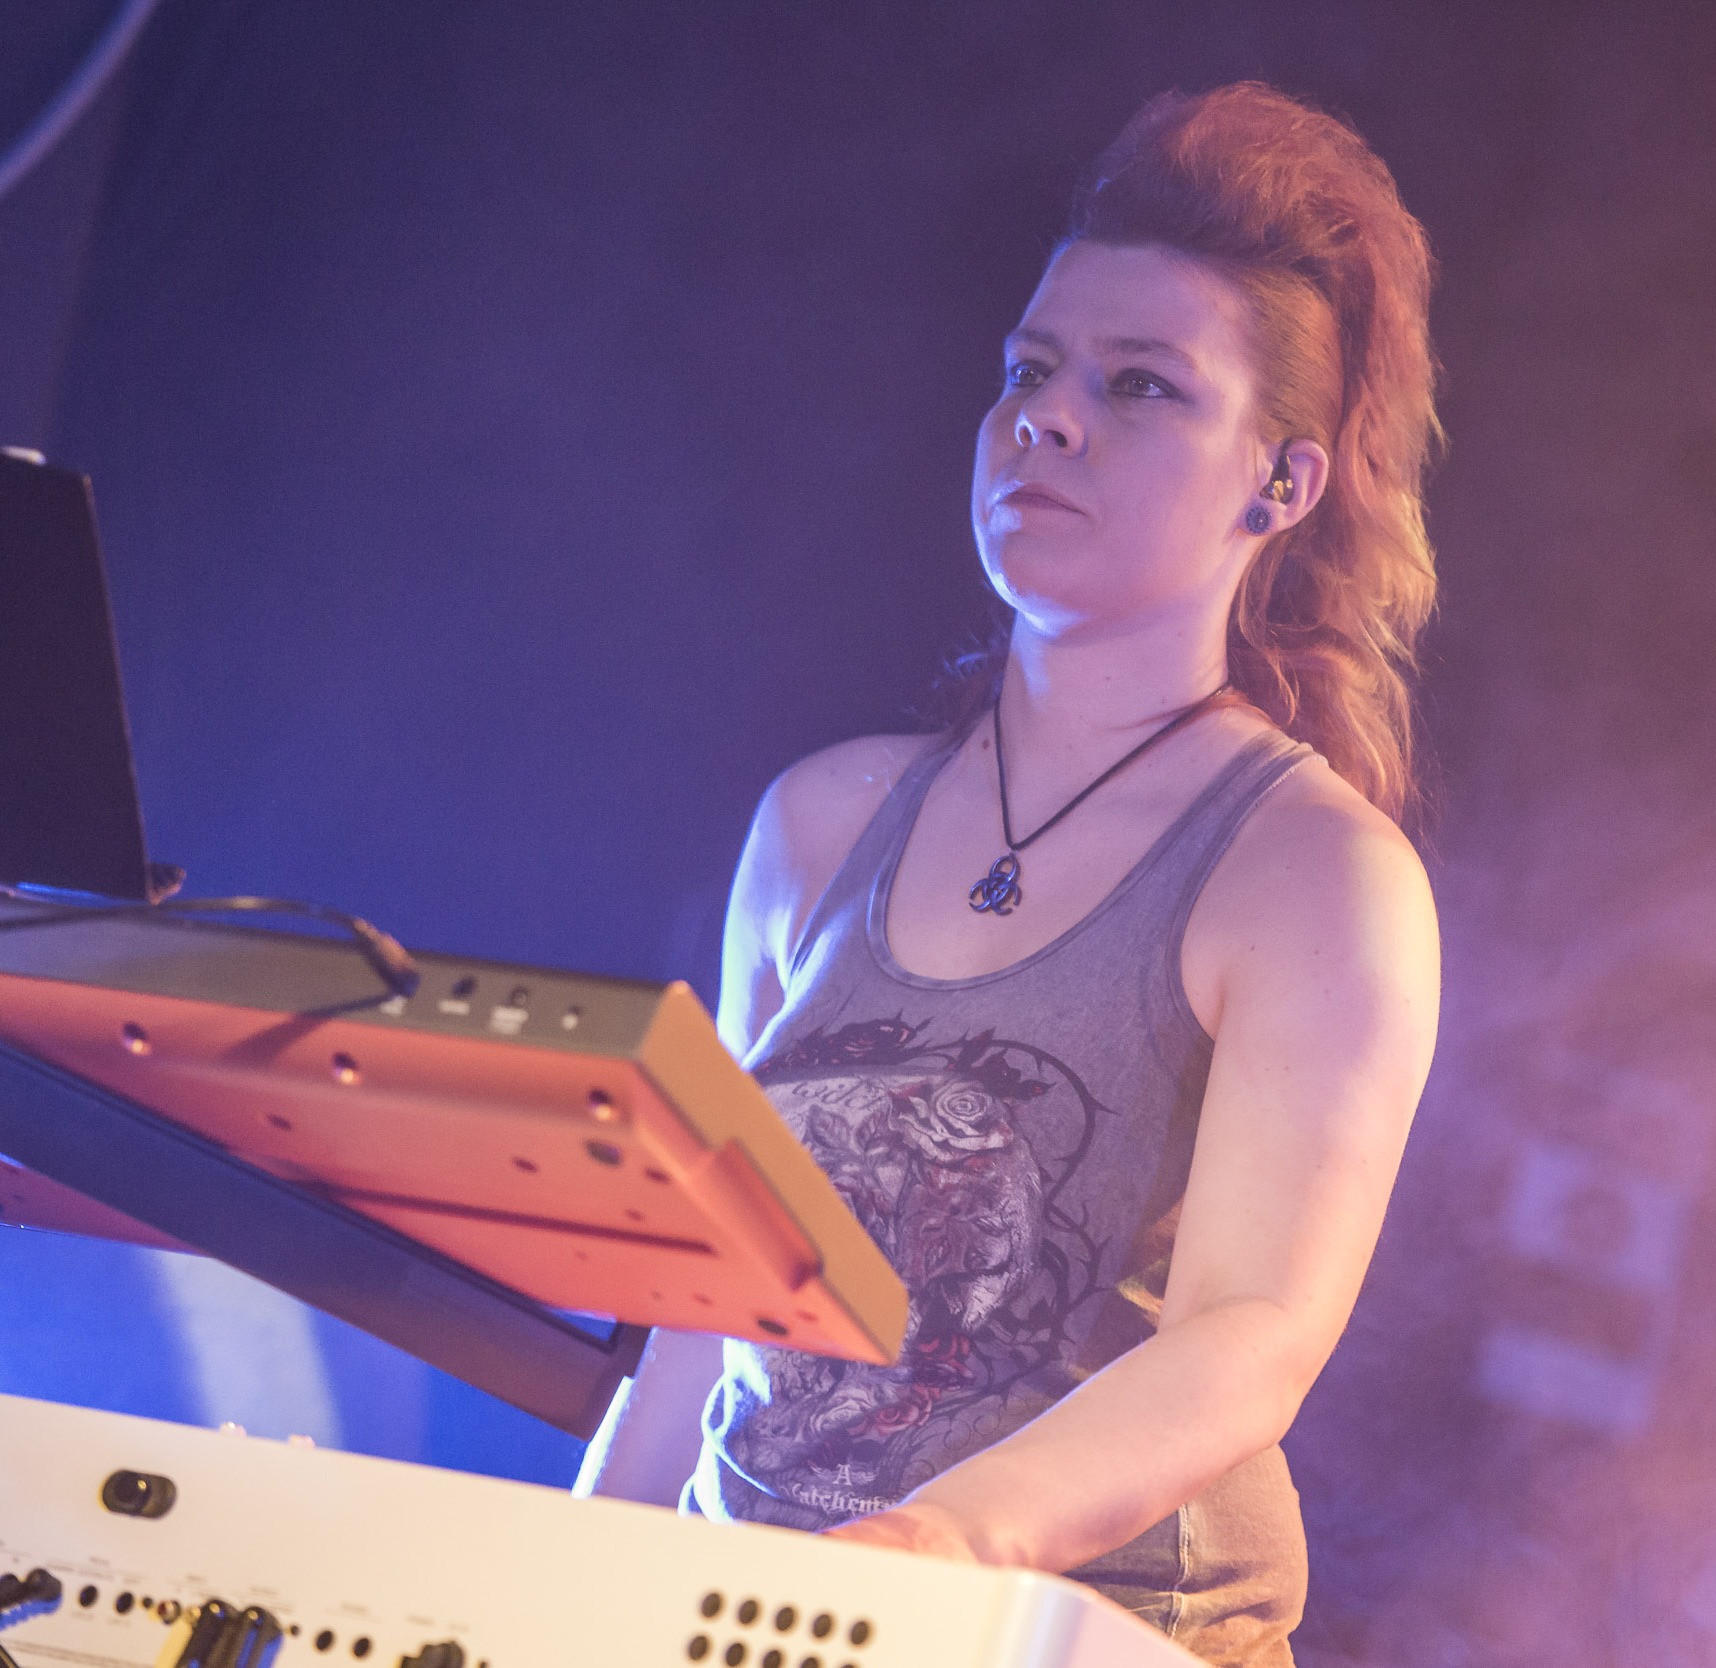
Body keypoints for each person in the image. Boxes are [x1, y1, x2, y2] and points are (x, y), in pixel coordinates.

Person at [577, 83, 1442, 1667]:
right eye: (1030, 371)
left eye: (1141, 384)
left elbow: (1255, 1333)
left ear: (1281, 484)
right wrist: (553, 1590)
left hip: (1087, 1629)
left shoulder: (1315, 875)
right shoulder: (819, 821)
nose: (1046, 417)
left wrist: (940, 1544)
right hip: (744, 1624)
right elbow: (708, 1299)